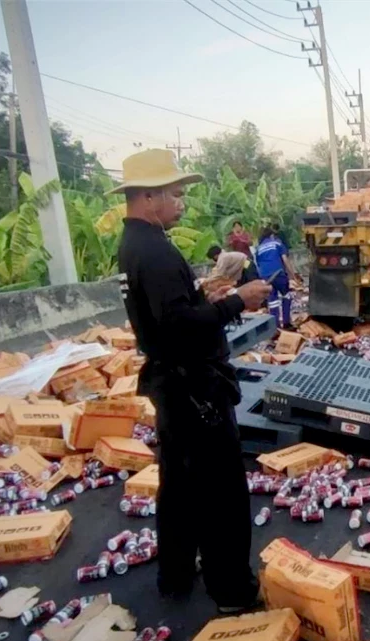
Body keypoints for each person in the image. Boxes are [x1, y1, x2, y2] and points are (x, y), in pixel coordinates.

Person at [111, 149, 272, 613]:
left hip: (170, 382)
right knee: (220, 493)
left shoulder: (134, 245)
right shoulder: (156, 251)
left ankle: (175, 574)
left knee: (179, 486)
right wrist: (238, 300)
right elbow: (180, 327)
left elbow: (166, 314)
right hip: (192, 385)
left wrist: (206, 292)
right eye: (175, 194)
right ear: (147, 196)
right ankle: (233, 592)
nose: (181, 202)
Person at [254, 225, 300, 328]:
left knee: (273, 300)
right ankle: (287, 323)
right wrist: (293, 275)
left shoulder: (259, 248)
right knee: (287, 295)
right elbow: (285, 260)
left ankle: (276, 326)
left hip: (266, 277)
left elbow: (258, 265)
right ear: (271, 235)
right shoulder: (277, 243)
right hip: (278, 273)